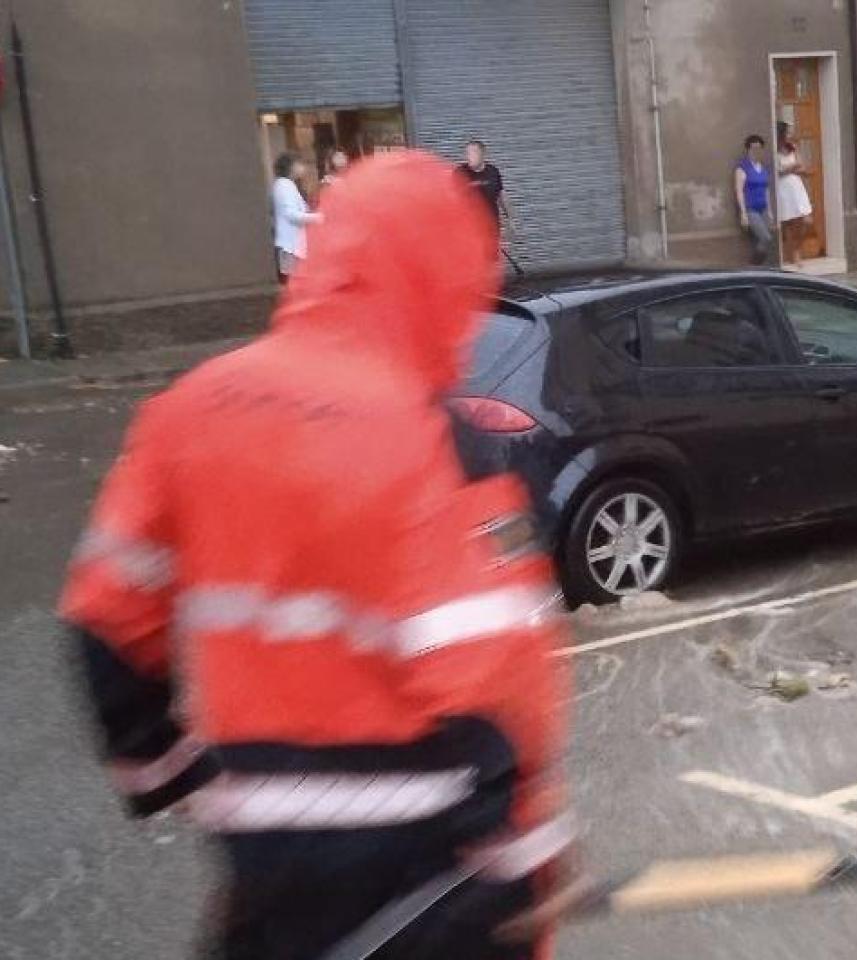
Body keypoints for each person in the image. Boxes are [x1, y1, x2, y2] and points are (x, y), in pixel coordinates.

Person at [61, 151, 575, 960]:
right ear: (445, 277)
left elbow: (104, 618)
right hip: (422, 870)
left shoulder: (189, 411)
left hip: (263, 855)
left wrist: (163, 770)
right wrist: (524, 857)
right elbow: (494, 680)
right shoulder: (436, 441)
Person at [270, 152, 320, 281]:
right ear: (290, 166)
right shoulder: (284, 185)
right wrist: (318, 217)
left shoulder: (287, 185)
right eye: (299, 164)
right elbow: (291, 214)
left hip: (292, 245)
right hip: (289, 246)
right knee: (294, 281)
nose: (302, 168)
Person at [774, 122, 814, 268]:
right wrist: (791, 167)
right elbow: (776, 171)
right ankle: (786, 254)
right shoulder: (774, 150)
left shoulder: (793, 148)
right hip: (782, 188)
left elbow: (801, 166)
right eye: (787, 132)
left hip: (796, 187)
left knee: (805, 220)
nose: (790, 135)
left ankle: (797, 250)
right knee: (786, 223)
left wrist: (790, 169)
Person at [457, 139, 514, 238]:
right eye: (467, 153)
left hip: (491, 225)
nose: (469, 157)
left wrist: (510, 219)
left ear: (483, 154)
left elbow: (501, 196)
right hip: (469, 227)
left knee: (492, 252)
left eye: (473, 153)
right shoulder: (460, 173)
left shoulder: (493, 171)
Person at [734, 134, 774, 266]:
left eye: (759, 148)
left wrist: (769, 210)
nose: (756, 151)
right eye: (753, 148)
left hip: (763, 208)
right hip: (751, 209)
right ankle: (753, 267)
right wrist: (743, 213)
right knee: (765, 238)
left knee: (760, 241)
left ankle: (760, 270)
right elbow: (739, 190)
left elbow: (766, 189)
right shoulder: (742, 167)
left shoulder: (763, 168)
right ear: (748, 150)